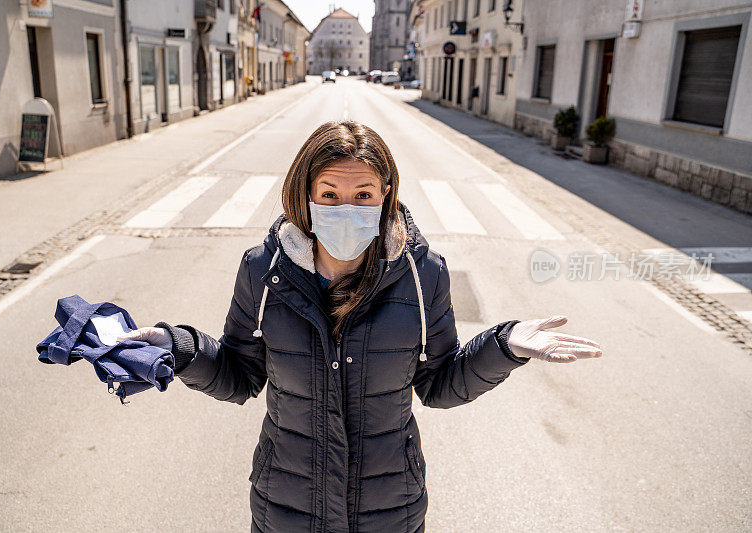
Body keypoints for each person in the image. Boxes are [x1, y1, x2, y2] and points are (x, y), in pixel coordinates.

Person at [117, 120, 602, 532]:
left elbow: (438, 383)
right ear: (306, 194)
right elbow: (240, 375)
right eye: (329, 193)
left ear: (385, 194)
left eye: (363, 193)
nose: (345, 207)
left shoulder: (423, 272)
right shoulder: (263, 269)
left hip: (388, 509)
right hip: (287, 507)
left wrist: (504, 347)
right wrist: (177, 347)